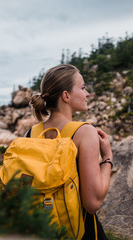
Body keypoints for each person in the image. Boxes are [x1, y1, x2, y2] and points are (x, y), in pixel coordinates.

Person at [29, 64, 113, 239]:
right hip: (78, 231)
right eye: (82, 88)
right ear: (66, 96)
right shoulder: (84, 132)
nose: (87, 93)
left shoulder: (30, 133)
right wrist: (107, 158)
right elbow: (92, 203)